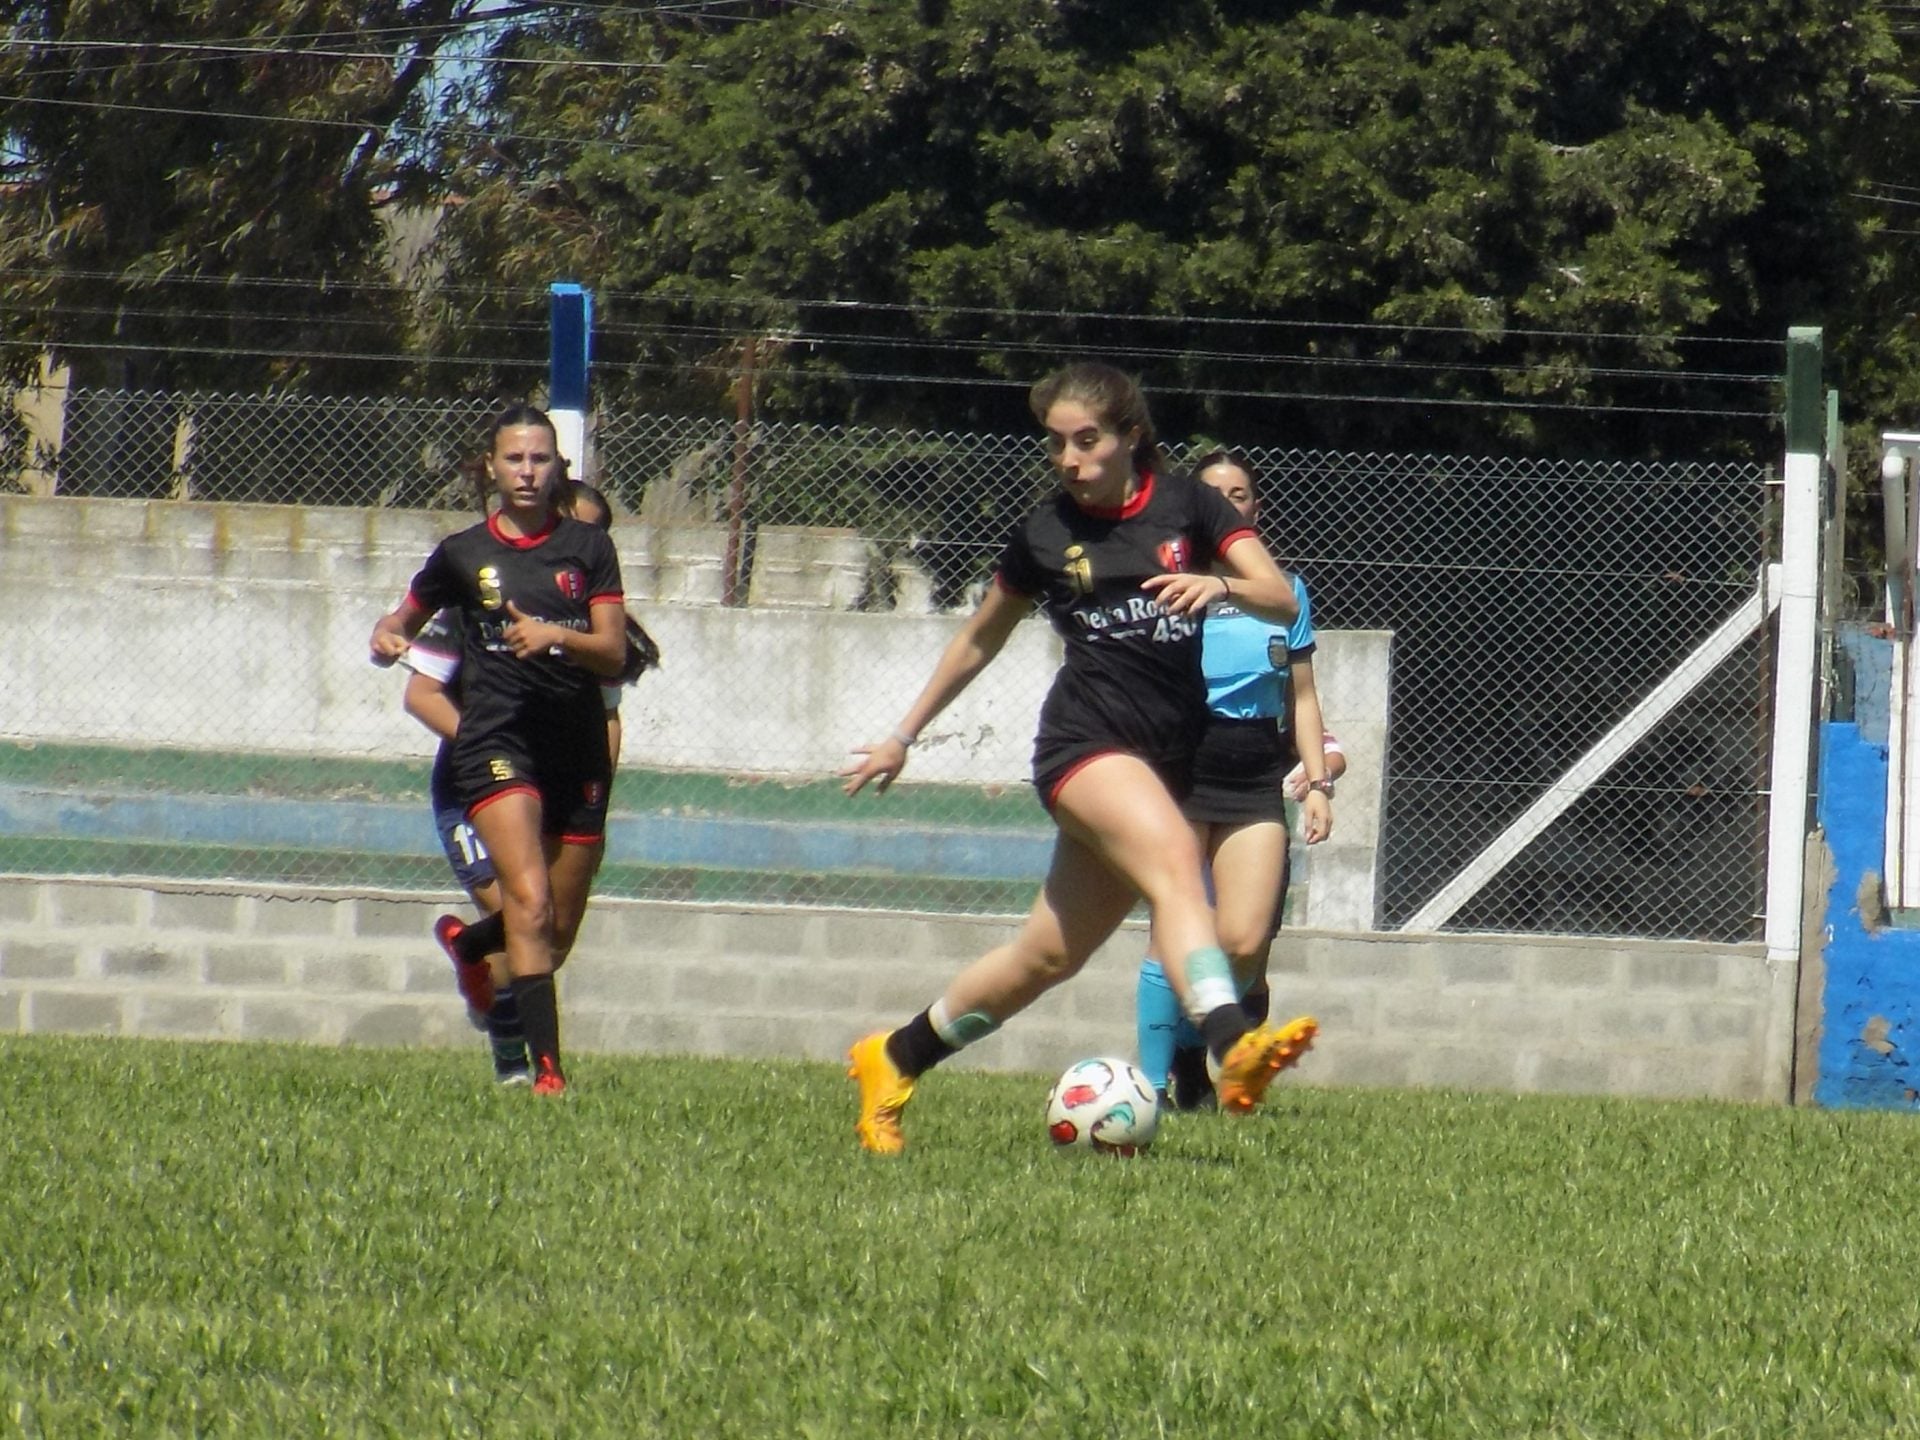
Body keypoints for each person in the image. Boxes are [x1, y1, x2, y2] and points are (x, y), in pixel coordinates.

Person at [840, 362, 1320, 1154]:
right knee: (1175, 864)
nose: (1070, 458)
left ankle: (893, 1056)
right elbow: (979, 637)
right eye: (1057, 443)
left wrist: (1217, 586)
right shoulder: (1043, 532)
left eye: (1087, 440)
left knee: (1046, 955)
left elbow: (1276, 593)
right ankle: (1234, 1047)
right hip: (1083, 747)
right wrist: (904, 733)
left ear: (1130, 437)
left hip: (1164, 758)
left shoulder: (1189, 506)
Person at [369, 404, 629, 1096]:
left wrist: (557, 636)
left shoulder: (589, 550)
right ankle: (546, 1074)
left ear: (557, 468)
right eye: (513, 458)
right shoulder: (462, 554)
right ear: (492, 466)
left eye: (539, 459)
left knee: (555, 928)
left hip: (572, 750)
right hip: (496, 745)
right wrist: (387, 637)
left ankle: (469, 944)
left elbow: (611, 652)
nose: (526, 471)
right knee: (530, 902)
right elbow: (398, 622)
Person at [1136, 449, 1350, 1110]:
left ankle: (1194, 1046)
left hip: (1254, 767)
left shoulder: (1286, 591)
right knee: (1175, 926)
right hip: (1182, 761)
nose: (1229, 503)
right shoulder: (1164, 581)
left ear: (1256, 509)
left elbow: (1306, 696)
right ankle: (1152, 1088)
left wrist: (1318, 784)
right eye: (1214, 493)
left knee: (1246, 941)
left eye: (1241, 493)